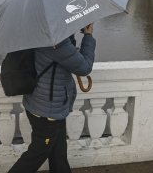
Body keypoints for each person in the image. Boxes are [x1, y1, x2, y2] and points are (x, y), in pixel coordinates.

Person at [8, 23, 96, 173]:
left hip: (45, 103)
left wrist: (71, 35)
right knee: (37, 154)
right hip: (47, 110)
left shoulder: (39, 31)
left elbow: (64, 59)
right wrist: (88, 36)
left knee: (58, 153)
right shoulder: (55, 41)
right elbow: (84, 67)